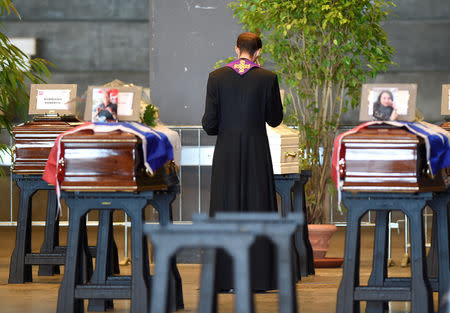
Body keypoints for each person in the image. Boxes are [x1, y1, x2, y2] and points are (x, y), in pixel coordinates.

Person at [202, 32, 283, 292]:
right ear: (258, 52)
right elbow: (275, 119)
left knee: (226, 206)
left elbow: (210, 126)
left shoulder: (216, 77)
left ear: (236, 49)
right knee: (256, 206)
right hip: (257, 152)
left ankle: (224, 279)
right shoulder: (268, 78)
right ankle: (259, 279)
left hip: (226, 152)